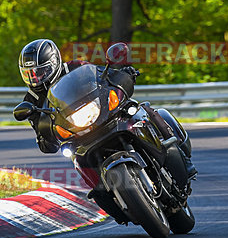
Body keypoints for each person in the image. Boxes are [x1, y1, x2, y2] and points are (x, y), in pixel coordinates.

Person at [16, 38, 197, 180]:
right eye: (30, 74)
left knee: (142, 109)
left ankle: (182, 156)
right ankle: (106, 193)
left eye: (40, 71)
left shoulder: (75, 67)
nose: (36, 78)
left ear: (54, 63)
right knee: (76, 160)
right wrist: (45, 134)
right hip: (78, 134)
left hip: (102, 114)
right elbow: (44, 140)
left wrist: (123, 74)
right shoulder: (31, 99)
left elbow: (103, 76)